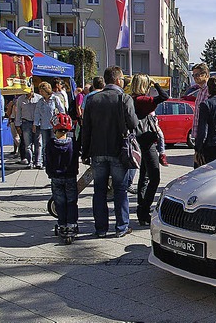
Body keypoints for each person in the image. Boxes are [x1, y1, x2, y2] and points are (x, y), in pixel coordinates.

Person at [82, 66, 138, 238]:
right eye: (122, 79)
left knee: (99, 190)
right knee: (120, 189)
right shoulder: (124, 98)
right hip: (118, 151)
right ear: (117, 80)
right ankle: (121, 227)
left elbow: (86, 129)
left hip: (97, 150)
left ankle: (100, 229)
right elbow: (134, 123)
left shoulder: (92, 99)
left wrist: (85, 152)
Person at [130, 74, 169, 226]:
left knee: (144, 177)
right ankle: (144, 209)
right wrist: (156, 84)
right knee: (154, 177)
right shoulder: (142, 100)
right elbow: (164, 96)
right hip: (147, 141)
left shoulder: (131, 99)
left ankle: (142, 208)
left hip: (139, 140)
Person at [45, 113, 79, 243]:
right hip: (70, 176)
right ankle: (71, 223)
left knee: (59, 202)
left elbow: (47, 161)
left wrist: (50, 173)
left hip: (56, 177)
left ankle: (62, 223)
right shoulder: (73, 144)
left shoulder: (50, 144)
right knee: (71, 201)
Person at [34, 82, 64, 168]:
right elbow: (37, 113)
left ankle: (55, 163)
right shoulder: (40, 101)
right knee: (45, 146)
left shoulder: (55, 99)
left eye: (42, 91)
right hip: (44, 126)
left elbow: (62, 111)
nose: (40, 93)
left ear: (46, 90)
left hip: (54, 127)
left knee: (55, 144)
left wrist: (59, 121)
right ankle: (46, 163)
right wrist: (35, 124)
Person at [15, 89, 43, 167]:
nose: (30, 91)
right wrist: (17, 125)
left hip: (37, 123)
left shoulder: (39, 98)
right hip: (26, 123)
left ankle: (38, 162)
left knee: (38, 143)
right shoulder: (20, 99)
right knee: (27, 144)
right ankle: (29, 161)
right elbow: (18, 113)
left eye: (31, 89)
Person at [191, 63, 210, 168]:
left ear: (206, 74)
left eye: (197, 75)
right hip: (199, 134)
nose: (195, 78)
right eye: (194, 75)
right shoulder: (200, 91)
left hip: (205, 136)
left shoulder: (209, 90)